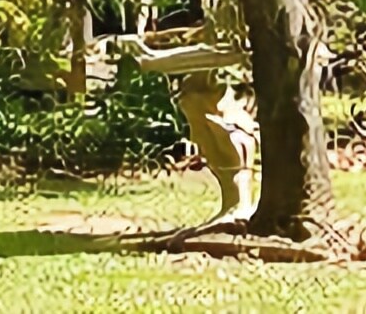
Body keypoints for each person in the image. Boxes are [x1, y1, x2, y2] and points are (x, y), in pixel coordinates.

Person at [110, 32, 257, 228]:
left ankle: (239, 206)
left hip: (233, 65)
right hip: (220, 60)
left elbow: (228, 50)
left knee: (225, 131)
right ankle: (232, 204)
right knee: (196, 102)